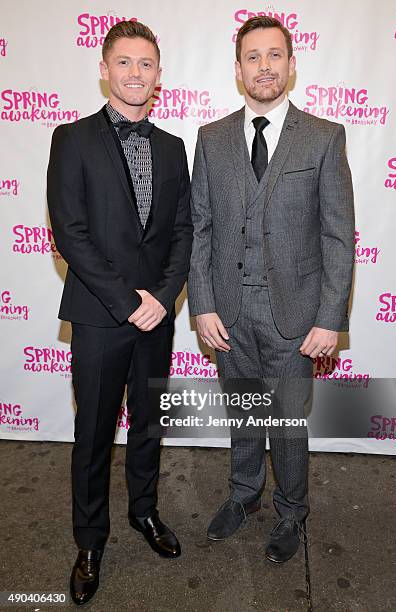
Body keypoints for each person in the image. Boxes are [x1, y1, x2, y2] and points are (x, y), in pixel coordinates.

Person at [188, 16, 354, 563]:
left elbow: (336, 234)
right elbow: (201, 227)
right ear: (238, 70)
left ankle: (291, 510)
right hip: (230, 314)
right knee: (243, 415)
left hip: (296, 315)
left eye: (274, 55)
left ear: (291, 63)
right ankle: (243, 495)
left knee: (285, 422)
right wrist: (203, 305)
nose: (264, 66)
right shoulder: (210, 139)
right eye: (253, 57)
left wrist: (331, 317)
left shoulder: (324, 136)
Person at [47, 20, 192, 605]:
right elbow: (71, 234)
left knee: (149, 425)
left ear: (159, 75)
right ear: (105, 69)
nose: (136, 73)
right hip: (101, 317)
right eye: (125, 63)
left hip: (157, 317)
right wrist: (129, 301)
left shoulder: (174, 147)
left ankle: (144, 513)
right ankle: (89, 539)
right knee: (93, 433)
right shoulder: (72, 139)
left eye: (147, 64)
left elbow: (183, 232)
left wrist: (162, 296)